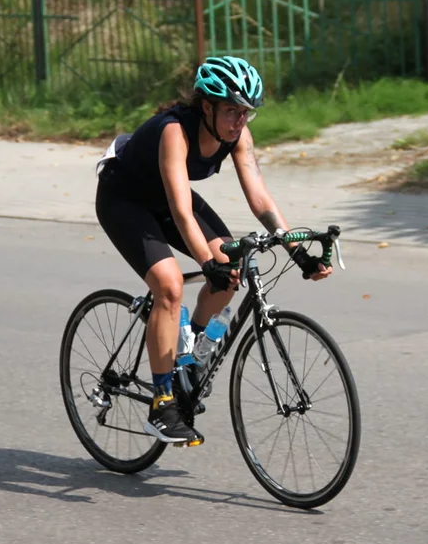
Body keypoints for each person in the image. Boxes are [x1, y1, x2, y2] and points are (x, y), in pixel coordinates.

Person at [94, 56, 332, 446]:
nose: (239, 121)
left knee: (230, 271)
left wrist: (297, 252)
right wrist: (206, 262)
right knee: (170, 286)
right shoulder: (174, 131)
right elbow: (181, 210)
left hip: (168, 201)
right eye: (231, 111)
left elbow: (260, 199)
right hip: (125, 200)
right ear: (206, 106)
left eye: (246, 113)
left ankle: (186, 363)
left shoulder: (238, 135)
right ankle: (162, 403)